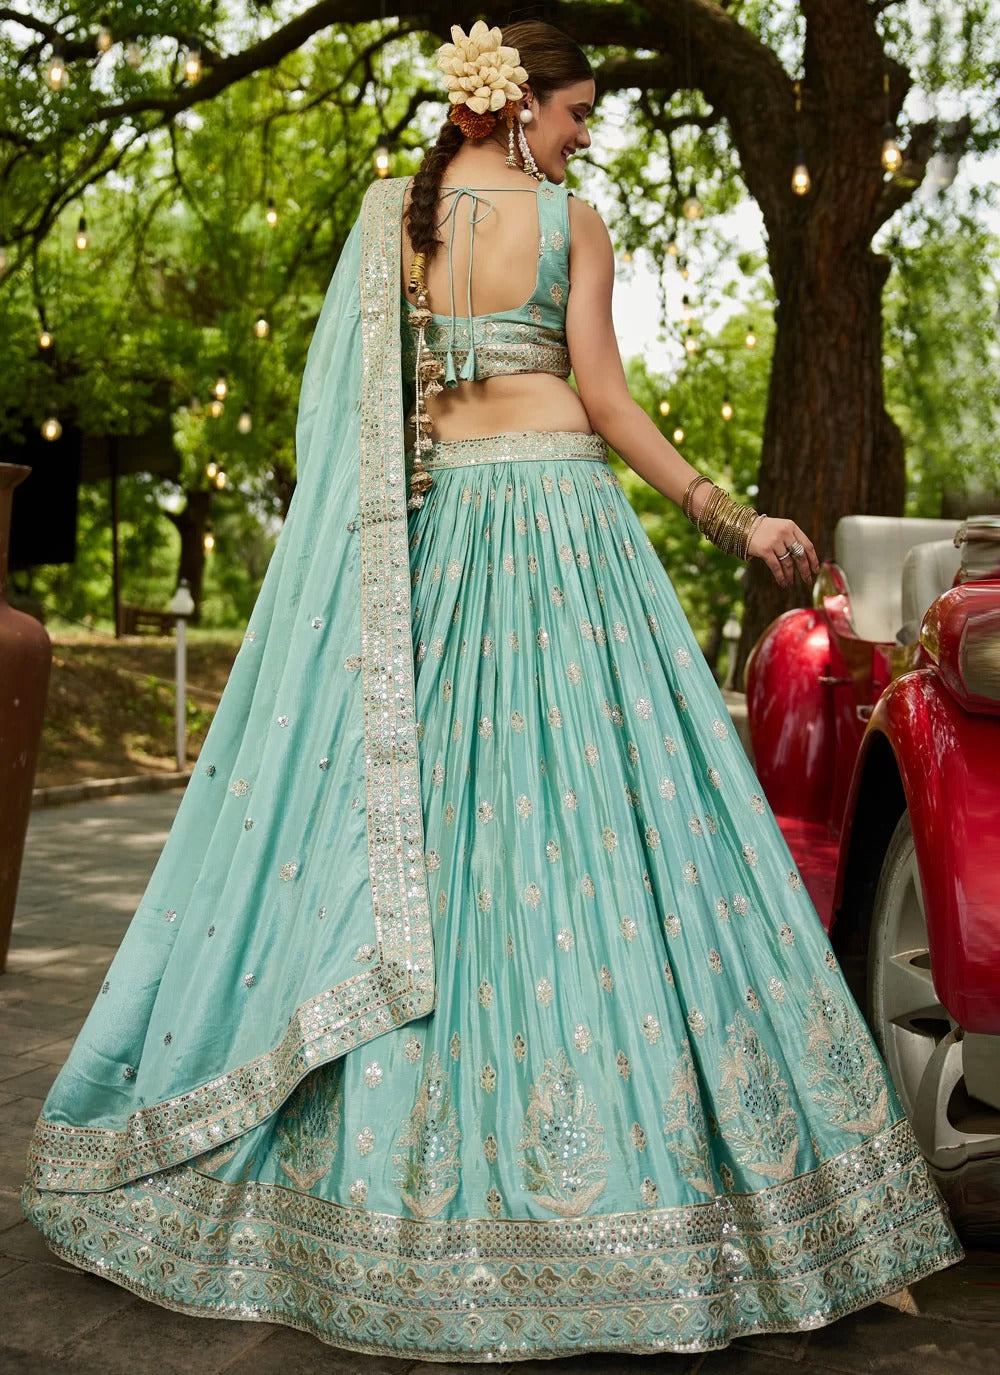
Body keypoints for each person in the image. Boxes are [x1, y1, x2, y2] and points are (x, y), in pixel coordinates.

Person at [23, 17, 962, 1362]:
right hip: (569, 545)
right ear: (517, 108)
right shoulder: (569, 221)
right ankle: (787, 1216)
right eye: (579, 111)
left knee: (461, 836)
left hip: (455, 553)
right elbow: (604, 397)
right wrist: (724, 514)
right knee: (627, 840)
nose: (589, 134)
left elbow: (362, 437)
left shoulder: (390, 223)